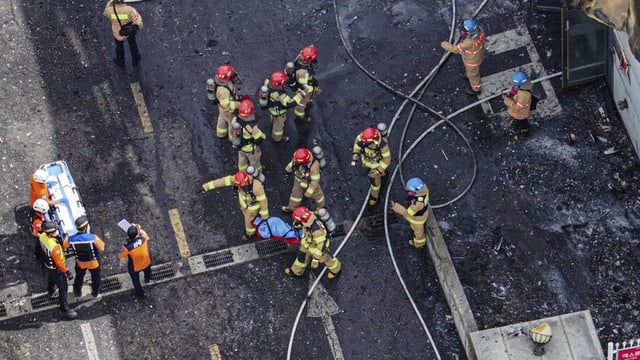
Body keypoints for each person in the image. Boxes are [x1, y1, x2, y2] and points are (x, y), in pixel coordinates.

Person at [200, 171, 269, 241]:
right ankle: (256, 223)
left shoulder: (257, 187)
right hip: (245, 205)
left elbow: (263, 201)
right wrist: (206, 187)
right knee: (250, 217)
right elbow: (222, 182)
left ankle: (249, 234)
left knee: (248, 221)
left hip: (253, 207)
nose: (243, 187)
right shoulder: (235, 179)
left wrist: (265, 216)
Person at [284, 206, 341, 279]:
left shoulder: (316, 230)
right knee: (301, 257)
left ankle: (336, 270)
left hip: (318, 248)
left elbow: (321, 244)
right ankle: (296, 271)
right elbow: (304, 226)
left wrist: (316, 259)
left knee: (326, 259)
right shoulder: (309, 218)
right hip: (308, 244)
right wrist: (298, 224)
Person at [40, 221, 77, 319]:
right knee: (63, 288)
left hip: (48, 264)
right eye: (55, 230)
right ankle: (64, 309)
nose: (57, 231)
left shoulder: (43, 236)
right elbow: (59, 263)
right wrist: (67, 272)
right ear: (51, 233)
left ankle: (51, 291)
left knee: (51, 278)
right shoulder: (55, 247)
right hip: (57, 269)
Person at [440, 19, 486, 96]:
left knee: (473, 75)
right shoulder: (480, 31)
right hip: (478, 56)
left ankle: (476, 89)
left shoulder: (467, 43)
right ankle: (469, 75)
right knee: (471, 72)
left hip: (471, 61)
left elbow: (455, 49)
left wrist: (444, 44)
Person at [63, 216, 106, 298]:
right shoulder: (93, 237)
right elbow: (102, 247)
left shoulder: (71, 239)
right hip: (94, 263)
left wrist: (66, 236)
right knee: (96, 278)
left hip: (80, 262)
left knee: (79, 277)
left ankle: (77, 291)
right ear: (86, 227)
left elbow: (65, 246)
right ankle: (95, 292)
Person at [351, 126, 392, 206]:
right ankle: (382, 173)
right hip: (366, 161)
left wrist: (379, 170)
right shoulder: (361, 137)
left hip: (377, 165)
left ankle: (374, 196)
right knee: (369, 170)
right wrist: (355, 153)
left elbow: (387, 160)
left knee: (374, 183)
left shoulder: (382, 146)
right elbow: (357, 145)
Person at [260, 70, 304, 142]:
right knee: (278, 127)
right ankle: (277, 138)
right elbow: (289, 103)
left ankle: (272, 124)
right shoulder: (281, 95)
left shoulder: (267, 85)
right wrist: (300, 96)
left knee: (273, 118)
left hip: (272, 110)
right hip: (279, 114)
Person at [390, 177, 430, 249]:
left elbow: (407, 213)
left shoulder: (417, 205)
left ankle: (419, 244)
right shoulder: (424, 189)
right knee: (415, 228)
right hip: (423, 213)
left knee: (418, 232)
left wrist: (396, 207)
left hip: (417, 219)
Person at [281, 148, 325, 213]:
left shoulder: (314, 166)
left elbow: (314, 182)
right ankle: (292, 208)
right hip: (298, 181)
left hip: (309, 182)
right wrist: (287, 172)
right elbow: (292, 164)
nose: (296, 162)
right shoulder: (297, 158)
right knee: (295, 195)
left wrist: (307, 194)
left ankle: (321, 208)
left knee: (318, 196)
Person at [103, 0, 143, 68]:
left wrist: (110, 2)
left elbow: (105, 13)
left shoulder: (109, 10)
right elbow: (138, 21)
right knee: (132, 43)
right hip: (128, 30)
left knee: (119, 46)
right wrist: (137, 27)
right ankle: (135, 59)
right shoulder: (129, 9)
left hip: (117, 31)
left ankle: (120, 61)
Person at [119, 223, 153, 299]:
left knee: (136, 281)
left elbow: (122, 258)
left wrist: (121, 263)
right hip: (146, 262)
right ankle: (147, 280)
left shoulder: (127, 247)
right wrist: (137, 227)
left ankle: (140, 294)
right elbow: (142, 232)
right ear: (137, 234)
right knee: (148, 272)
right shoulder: (144, 239)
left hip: (135, 267)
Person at [288, 45, 320, 123]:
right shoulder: (303, 72)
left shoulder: (300, 57)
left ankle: (308, 100)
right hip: (302, 90)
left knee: (307, 98)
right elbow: (304, 87)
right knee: (302, 102)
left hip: (301, 80)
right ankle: (300, 114)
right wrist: (314, 89)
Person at [233, 98, 266, 172]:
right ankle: (257, 174)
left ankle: (242, 172)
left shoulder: (235, 120)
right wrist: (263, 135)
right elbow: (259, 140)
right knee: (255, 163)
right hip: (251, 150)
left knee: (242, 162)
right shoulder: (253, 127)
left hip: (241, 148)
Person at [212, 64, 241, 141]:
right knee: (232, 122)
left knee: (222, 118)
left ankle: (221, 133)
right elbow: (226, 105)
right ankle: (232, 138)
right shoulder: (223, 92)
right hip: (228, 110)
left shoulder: (221, 80)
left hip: (222, 109)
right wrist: (238, 105)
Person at [502, 71, 533, 140]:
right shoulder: (521, 87)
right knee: (517, 121)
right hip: (516, 114)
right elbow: (515, 91)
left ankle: (525, 133)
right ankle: (516, 121)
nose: (512, 86)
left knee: (523, 124)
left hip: (520, 115)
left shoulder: (524, 97)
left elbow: (518, 108)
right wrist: (510, 94)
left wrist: (507, 100)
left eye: (514, 85)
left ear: (519, 86)